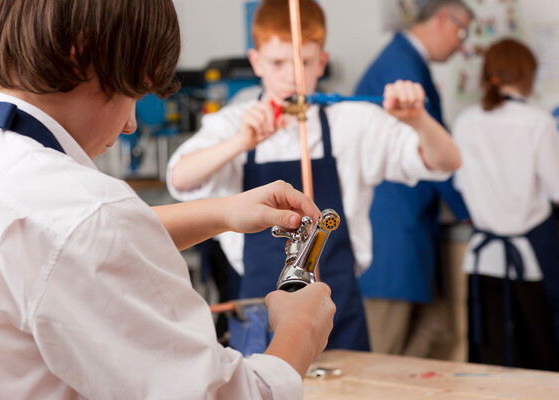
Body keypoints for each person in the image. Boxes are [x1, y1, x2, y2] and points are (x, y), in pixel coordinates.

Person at [0, 1, 337, 398]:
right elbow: (219, 394)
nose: (130, 124)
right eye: (134, 92)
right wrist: (299, 331)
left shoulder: (18, 173)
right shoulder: (86, 216)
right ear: (82, 54)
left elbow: (58, 244)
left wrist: (222, 212)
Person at [167, 0, 462, 353]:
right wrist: (240, 142)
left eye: (304, 62)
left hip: (337, 311)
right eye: (277, 62)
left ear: (322, 62)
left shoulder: (352, 122)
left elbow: (446, 161)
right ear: (256, 62)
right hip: (260, 314)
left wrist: (419, 119)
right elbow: (180, 178)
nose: (291, 76)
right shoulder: (233, 123)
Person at [453, 38, 559, 374]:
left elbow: (460, 184)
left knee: (495, 350)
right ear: (528, 74)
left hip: (484, 257)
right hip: (533, 252)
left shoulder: (465, 122)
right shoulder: (536, 122)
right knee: (547, 345)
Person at [354, 0, 473, 357]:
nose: (462, 46)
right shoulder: (401, 66)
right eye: (461, 33)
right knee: (385, 349)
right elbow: (432, 153)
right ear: (442, 19)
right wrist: (470, 211)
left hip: (410, 225)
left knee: (436, 331)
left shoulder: (406, 61)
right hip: (392, 229)